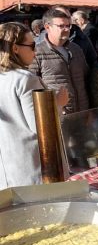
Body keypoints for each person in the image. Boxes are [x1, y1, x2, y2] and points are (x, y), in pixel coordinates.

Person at [0, 22, 68, 189]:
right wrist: (58, 104)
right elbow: (41, 127)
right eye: (31, 46)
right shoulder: (25, 79)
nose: (35, 50)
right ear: (15, 48)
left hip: (7, 170)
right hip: (33, 168)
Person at [29, 8, 89, 114]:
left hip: (82, 114)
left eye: (68, 26)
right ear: (48, 27)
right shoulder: (37, 53)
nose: (66, 29)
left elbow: (86, 78)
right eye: (61, 26)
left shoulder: (76, 49)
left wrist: (89, 110)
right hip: (57, 116)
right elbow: (31, 90)